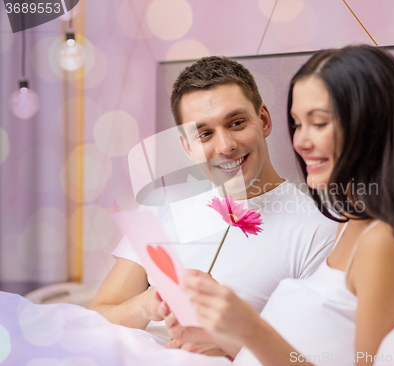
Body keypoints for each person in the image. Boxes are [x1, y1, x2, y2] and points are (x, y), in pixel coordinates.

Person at [171, 46, 394, 365]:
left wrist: (251, 328)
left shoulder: (383, 243)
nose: (300, 141)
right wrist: (229, 336)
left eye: (319, 123)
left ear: (369, 126)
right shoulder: (349, 224)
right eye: (298, 124)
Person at [89, 56, 338, 356]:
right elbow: (98, 316)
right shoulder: (161, 206)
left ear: (264, 120)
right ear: (186, 146)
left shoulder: (319, 228)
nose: (225, 146)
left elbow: (318, 358)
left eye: (236, 123)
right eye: (204, 134)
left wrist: (230, 343)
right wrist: (149, 303)